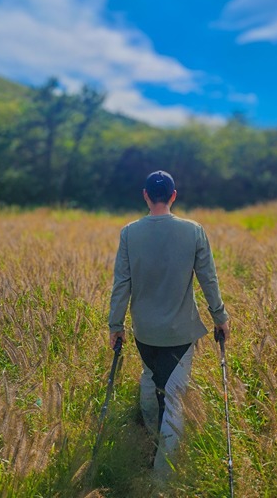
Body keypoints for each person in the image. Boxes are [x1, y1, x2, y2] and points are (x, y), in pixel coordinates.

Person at [108, 170, 229, 477]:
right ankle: (163, 480)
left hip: (144, 332)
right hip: (180, 332)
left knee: (150, 378)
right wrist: (220, 318)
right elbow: (208, 279)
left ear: (145, 195)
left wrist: (115, 325)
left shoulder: (129, 233)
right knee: (173, 397)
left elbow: (122, 283)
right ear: (174, 195)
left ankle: (150, 439)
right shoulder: (194, 231)